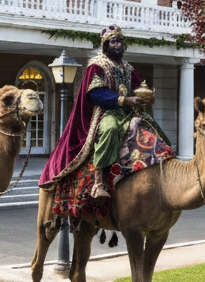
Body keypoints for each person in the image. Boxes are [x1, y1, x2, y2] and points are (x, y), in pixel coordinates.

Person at [39, 25, 149, 200]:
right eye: (113, 41)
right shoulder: (97, 65)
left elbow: (137, 88)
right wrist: (123, 100)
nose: (118, 44)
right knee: (110, 129)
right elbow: (96, 93)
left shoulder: (128, 68)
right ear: (106, 45)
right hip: (106, 112)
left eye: (120, 41)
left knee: (148, 126)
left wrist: (145, 96)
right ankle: (99, 182)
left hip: (128, 113)